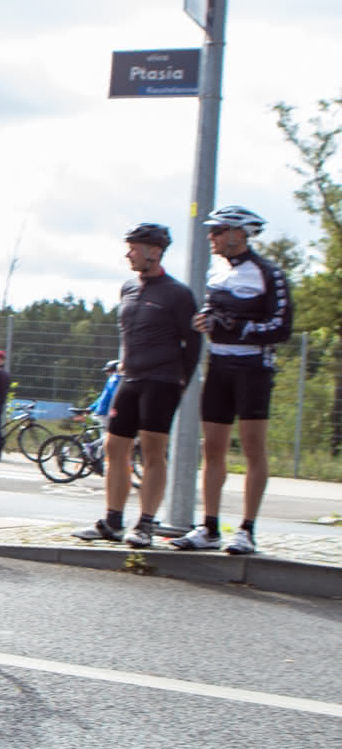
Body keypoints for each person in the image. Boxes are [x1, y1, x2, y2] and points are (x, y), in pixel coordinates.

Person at [170, 205, 294, 555]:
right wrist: (206, 320)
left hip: (254, 368)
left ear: (240, 233)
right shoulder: (218, 274)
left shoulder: (269, 273)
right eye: (211, 230)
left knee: (253, 448)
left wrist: (234, 327)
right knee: (212, 449)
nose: (211, 236)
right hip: (219, 367)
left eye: (218, 230)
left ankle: (246, 530)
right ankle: (209, 527)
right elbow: (217, 317)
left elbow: (281, 328)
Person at [72, 224, 200, 547]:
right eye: (128, 247)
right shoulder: (128, 288)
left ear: (154, 252)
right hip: (129, 379)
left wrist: (180, 382)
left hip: (162, 382)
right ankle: (113, 521)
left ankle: (145, 524)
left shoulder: (178, 294)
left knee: (153, 451)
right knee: (115, 448)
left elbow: (193, 344)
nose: (128, 253)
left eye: (134, 248)